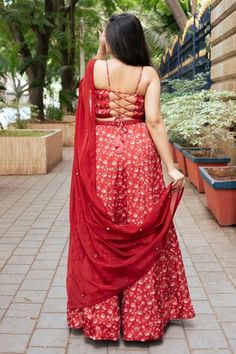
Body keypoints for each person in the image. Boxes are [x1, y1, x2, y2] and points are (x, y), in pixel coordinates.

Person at [66, 13, 195, 342]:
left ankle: (103, 319)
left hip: (103, 153)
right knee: (141, 226)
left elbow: (86, 100)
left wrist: (99, 50)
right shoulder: (148, 74)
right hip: (140, 151)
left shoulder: (96, 68)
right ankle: (142, 321)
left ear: (112, 38)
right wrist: (172, 167)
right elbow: (153, 121)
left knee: (103, 229)